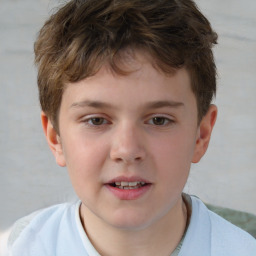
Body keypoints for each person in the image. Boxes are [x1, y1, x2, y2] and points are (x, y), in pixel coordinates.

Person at [7, 0, 256, 255]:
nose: (127, 150)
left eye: (159, 120)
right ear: (55, 137)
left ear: (201, 135)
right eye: (97, 120)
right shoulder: (23, 245)